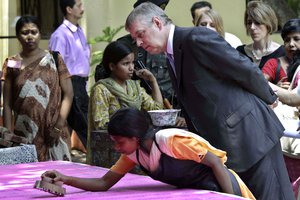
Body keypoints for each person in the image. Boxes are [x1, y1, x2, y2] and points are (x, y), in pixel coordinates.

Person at [124, 2, 294, 199]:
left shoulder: (196, 37)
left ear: (157, 23)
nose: (138, 43)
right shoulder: (172, 51)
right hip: (226, 144)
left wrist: (270, 97)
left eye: (140, 34)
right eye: (135, 38)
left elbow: (242, 68)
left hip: (251, 136)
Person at [42, 108, 255, 199]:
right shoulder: (133, 154)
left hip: (222, 186)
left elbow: (216, 164)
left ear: (135, 137)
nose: (116, 147)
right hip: (199, 192)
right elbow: (103, 183)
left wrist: (230, 199)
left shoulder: (171, 142)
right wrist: (65, 178)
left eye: (119, 142)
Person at [2, 15, 73, 161]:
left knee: (57, 177)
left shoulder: (54, 58)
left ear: (40, 34)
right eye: (24, 32)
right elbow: (7, 104)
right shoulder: (12, 63)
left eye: (34, 32)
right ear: (17, 36)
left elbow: (68, 94)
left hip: (54, 131)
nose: (29, 37)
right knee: (28, 176)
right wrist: (9, 135)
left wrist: (58, 126)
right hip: (25, 134)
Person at [87, 41, 164, 165]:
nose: (131, 68)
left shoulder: (135, 87)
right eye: (125, 63)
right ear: (112, 66)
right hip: (114, 149)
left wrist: (153, 81)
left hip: (136, 148)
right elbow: (100, 125)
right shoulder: (102, 89)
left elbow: (157, 110)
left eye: (132, 62)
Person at [116, 0, 178, 109]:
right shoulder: (124, 44)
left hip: (168, 107)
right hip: (135, 108)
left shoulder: (171, 42)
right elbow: (104, 72)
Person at [49, 0, 90, 151]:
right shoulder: (60, 35)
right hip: (69, 84)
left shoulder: (79, 31)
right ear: (69, 9)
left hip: (81, 83)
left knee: (78, 124)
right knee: (82, 125)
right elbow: (55, 64)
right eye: (79, 5)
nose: (82, 9)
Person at [236, 1, 285, 69]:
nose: (252, 27)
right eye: (249, 23)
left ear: (268, 24)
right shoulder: (240, 52)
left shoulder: (282, 53)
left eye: (257, 22)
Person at [262, 18, 300, 86]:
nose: (291, 44)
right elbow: (259, 86)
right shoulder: (273, 64)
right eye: (287, 40)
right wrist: (277, 88)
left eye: (296, 39)